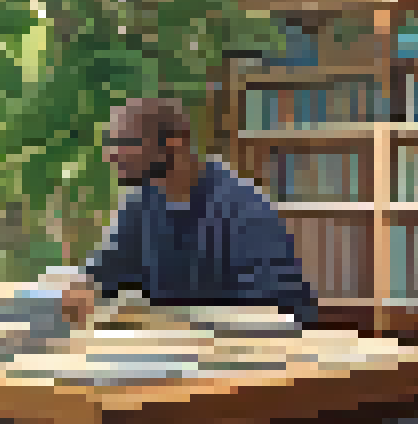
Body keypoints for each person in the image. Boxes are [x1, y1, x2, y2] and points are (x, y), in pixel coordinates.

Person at [51, 98, 317, 327]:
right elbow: (107, 271)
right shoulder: (140, 203)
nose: (111, 155)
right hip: (171, 359)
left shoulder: (242, 208)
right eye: (111, 143)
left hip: (244, 362)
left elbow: (279, 308)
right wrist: (85, 285)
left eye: (126, 143)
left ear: (174, 145)